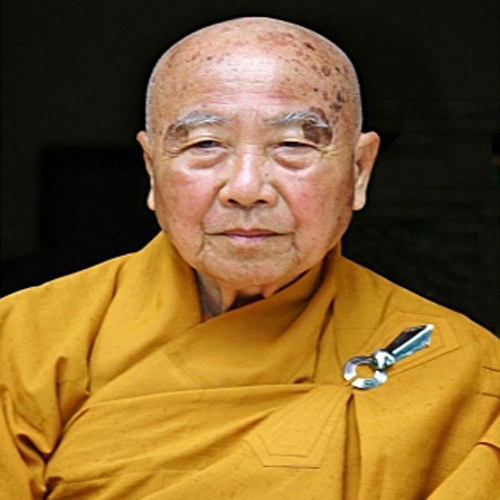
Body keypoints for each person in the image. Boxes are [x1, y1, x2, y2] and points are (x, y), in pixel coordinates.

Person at [0, 17, 498, 500]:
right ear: (152, 169)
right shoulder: (23, 339)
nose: (246, 188)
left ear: (359, 171)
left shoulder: (463, 370)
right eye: (205, 144)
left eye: (293, 145)